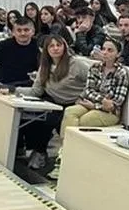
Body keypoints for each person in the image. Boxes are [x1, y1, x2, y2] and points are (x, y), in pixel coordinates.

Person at [8, 33, 91, 170]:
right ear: (46, 49)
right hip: (52, 101)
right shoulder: (45, 66)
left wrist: (82, 97)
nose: (55, 48)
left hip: (73, 103)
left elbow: (93, 81)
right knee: (36, 119)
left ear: (64, 47)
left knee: (50, 120)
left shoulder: (77, 64)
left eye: (58, 45)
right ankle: (38, 151)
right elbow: (36, 91)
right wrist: (14, 89)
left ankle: (51, 156)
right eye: (51, 46)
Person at [51, 35, 129, 174]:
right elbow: (88, 90)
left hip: (110, 113)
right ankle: (65, 154)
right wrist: (102, 100)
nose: (105, 52)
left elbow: (116, 102)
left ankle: (67, 159)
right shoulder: (95, 67)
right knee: (70, 112)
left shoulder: (121, 73)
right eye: (104, 49)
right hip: (90, 104)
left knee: (83, 121)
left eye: (110, 50)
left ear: (118, 54)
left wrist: (95, 105)